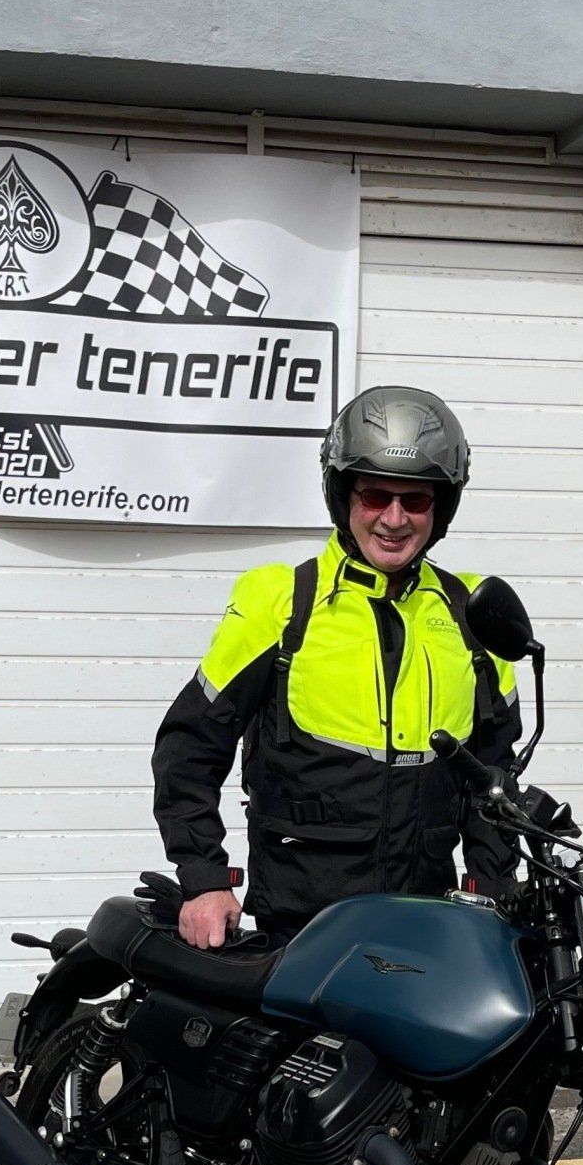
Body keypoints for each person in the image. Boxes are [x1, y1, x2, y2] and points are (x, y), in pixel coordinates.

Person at [152, 386, 526, 949]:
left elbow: (495, 778)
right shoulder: (281, 602)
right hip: (302, 925)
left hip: (428, 922)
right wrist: (205, 879)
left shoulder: (473, 613)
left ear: (441, 507)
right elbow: (188, 750)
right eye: (374, 496)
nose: (394, 519)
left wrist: (492, 890)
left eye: (415, 501)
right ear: (342, 496)